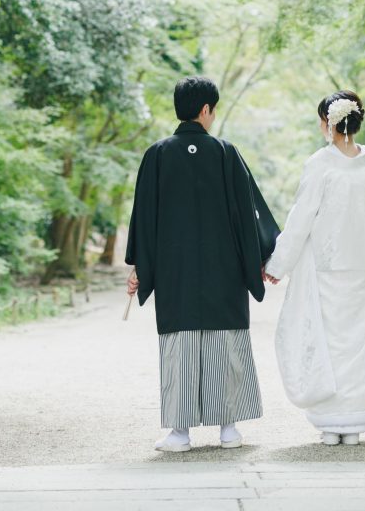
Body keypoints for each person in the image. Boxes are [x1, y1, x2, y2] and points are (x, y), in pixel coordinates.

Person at [125, 76, 279, 453]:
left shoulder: (156, 154)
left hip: (175, 271)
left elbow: (143, 217)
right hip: (223, 269)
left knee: (179, 345)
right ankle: (229, 429)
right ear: (206, 109)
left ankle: (179, 433)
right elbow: (249, 215)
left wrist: (140, 267)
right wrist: (261, 256)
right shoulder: (226, 153)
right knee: (224, 343)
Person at [262, 90, 365, 446]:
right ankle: (355, 424)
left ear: (329, 123)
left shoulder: (320, 163)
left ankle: (330, 423)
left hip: (326, 267)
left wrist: (278, 263)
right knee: (360, 341)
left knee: (328, 340)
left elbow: (301, 217)